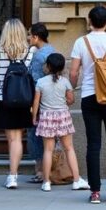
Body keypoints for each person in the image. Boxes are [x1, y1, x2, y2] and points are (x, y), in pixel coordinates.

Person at [70, 5, 106, 205]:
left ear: (90, 20)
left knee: (93, 144)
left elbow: (74, 72)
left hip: (89, 96)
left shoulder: (81, 42)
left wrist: (73, 86)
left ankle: (94, 192)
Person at [0, 18, 35, 189]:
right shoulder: (29, 50)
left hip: (4, 98)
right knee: (18, 138)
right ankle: (13, 175)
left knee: (11, 138)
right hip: (24, 98)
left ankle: (12, 175)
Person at [31, 53, 88, 191]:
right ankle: (76, 180)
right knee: (69, 148)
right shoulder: (65, 82)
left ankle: (46, 182)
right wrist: (63, 102)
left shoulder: (41, 82)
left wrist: (34, 117)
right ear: (62, 67)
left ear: (48, 66)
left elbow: (36, 102)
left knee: (48, 150)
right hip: (63, 116)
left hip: (46, 117)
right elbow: (71, 100)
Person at [26, 22, 55, 185]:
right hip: (53, 101)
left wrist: (33, 106)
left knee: (35, 134)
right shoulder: (52, 50)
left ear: (36, 37)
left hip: (41, 101)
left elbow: (36, 81)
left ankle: (40, 170)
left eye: (30, 35)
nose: (29, 38)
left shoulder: (38, 56)